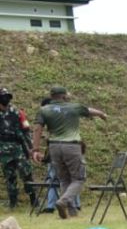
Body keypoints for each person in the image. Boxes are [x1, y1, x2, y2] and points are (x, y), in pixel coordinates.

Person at [30, 85, 107, 218]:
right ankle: (63, 201)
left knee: (64, 179)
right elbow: (89, 110)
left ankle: (71, 212)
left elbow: (37, 129)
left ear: (51, 96)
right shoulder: (74, 107)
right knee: (78, 178)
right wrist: (101, 114)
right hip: (71, 146)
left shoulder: (44, 110)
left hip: (54, 147)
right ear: (64, 96)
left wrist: (35, 150)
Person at [0, 87, 34, 210]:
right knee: (9, 177)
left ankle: (34, 200)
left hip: (18, 148)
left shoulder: (18, 113)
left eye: (7, 96)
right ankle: (13, 203)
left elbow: (26, 131)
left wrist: (31, 148)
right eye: (3, 97)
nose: (5, 99)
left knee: (27, 174)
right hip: (3, 151)